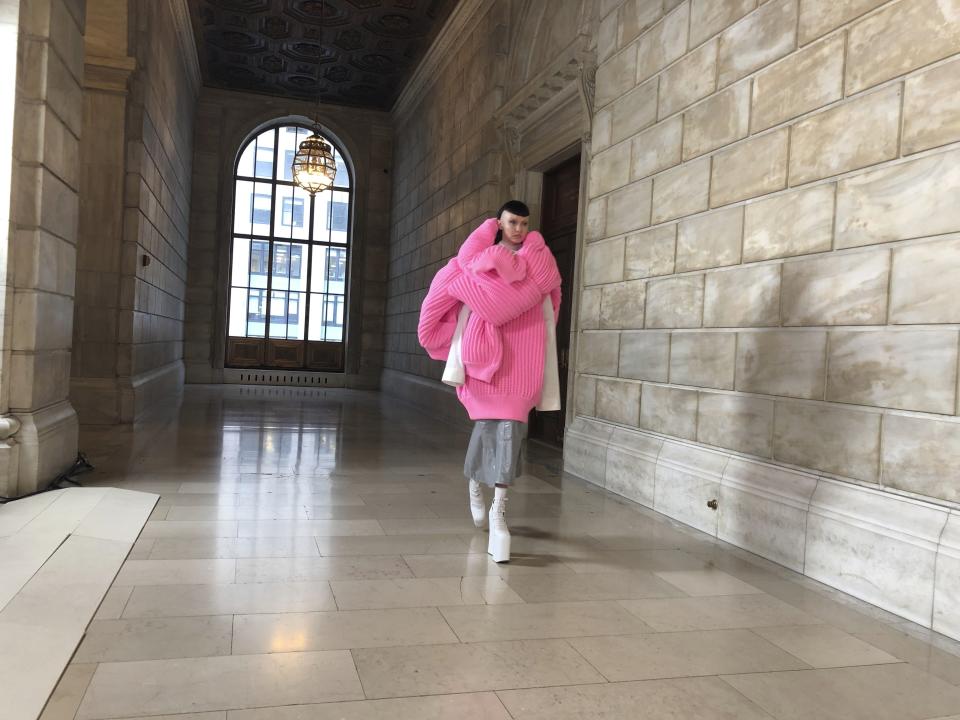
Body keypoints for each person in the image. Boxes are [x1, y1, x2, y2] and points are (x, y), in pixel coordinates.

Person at [417, 201, 561, 562]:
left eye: (524, 223)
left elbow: (550, 309)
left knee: (511, 432)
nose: (518, 229)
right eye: (512, 222)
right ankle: (474, 483)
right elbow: (448, 294)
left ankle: (500, 509)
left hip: (523, 354)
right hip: (484, 355)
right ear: (499, 222)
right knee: (486, 428)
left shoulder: (540, 261)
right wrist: (486, 298)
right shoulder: (473, 257)